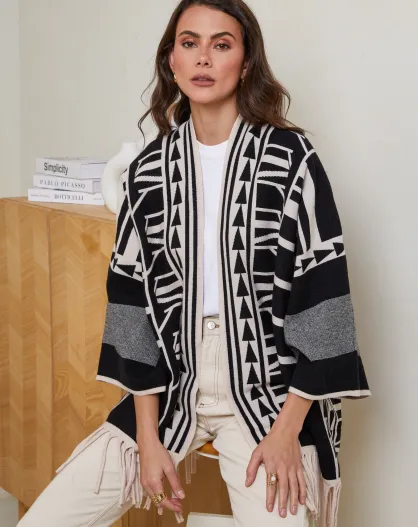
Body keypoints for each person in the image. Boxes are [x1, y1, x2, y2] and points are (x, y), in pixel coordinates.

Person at [18, 1, 371, 526]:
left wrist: (286, 431)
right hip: (171, 387)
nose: (203, 58)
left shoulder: (291, 159)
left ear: (245, 64)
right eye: (190, 43)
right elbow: (131, 305)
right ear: (172, 61)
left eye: (221, 44)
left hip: (268, 394)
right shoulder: (149, 171)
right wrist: (146, 437)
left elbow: (324, 296)